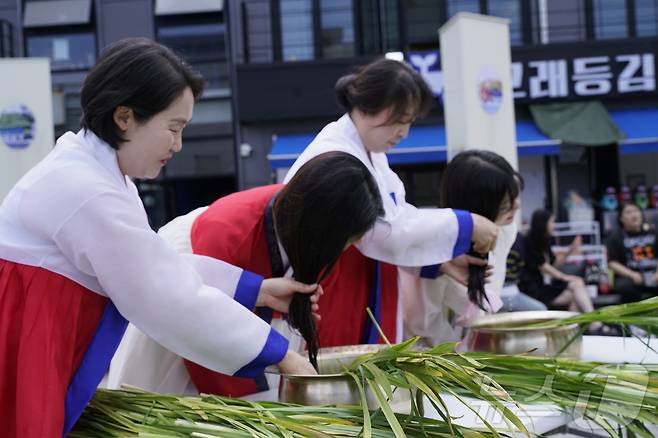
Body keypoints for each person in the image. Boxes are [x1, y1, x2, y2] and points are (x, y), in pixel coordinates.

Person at [0, 38, 317, 437]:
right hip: (21, 348)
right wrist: (279, 353)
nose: (178, 145)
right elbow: (162, 293)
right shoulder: (87, 188)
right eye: (173, 128)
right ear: (124, 117)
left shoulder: (96, 172)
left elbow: (152, 263)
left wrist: (255, 290)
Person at [109, 151, 397, 397]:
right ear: (324, 228)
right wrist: (262, 402)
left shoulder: (301, 223)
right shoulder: (228, 233)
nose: (345, 251)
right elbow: (205, 329)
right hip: (189, 300)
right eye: (345, 242)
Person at [283, 58, 499, 280]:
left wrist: (438, 263)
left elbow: (395, 221)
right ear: (368, 106)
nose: (404, 133)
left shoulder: (367, 150)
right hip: (327, 286)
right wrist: (466, 224)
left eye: (410, 122)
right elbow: (385, 232)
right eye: (400, 120)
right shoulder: (337, 157)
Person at [403, 150, 522, 347]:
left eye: (516, 196)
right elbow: (422, 326)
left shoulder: (505, 231)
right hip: (429, 356)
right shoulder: (435, 247)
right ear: (478, 207)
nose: (516, 207)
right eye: (504, 205)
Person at [520, 209, 606, 333]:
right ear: (543, 223)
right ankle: (591, 323)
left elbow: (554, 264)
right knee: (577, 286)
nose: (554, 225)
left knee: (576, 293)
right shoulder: (530, 240)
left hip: (544, 285)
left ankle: (570, 330)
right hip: (533, 288)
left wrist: (570, 250)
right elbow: (542, 265)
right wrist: (563, 277)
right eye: (552, 222)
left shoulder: (545, 240)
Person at [606, 203, 658, 302]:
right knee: (625, 287)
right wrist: (632, 275)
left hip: (654, 274)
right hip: (630, 276)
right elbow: (612, 263)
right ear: (621, 218)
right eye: (629, 212)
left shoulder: (654, 232)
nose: (634, 215)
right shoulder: (615, 237)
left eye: (636, 211)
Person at [498, 233, 548, 312]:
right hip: (505, 292)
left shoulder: (518, 238)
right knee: (541, 310)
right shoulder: (519, 240)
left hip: (510, 290)